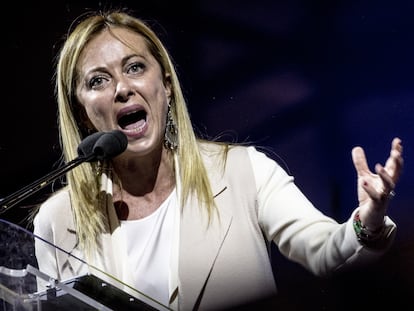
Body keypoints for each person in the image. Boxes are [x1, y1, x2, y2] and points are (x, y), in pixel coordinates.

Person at [32, 8, 404, 311]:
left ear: (164, 83)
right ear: (81, 113)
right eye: (98, 81)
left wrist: (366, 223)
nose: (122, 88)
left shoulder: (244, 172)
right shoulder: (58, 221)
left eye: (134, 67)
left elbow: (324, 250)